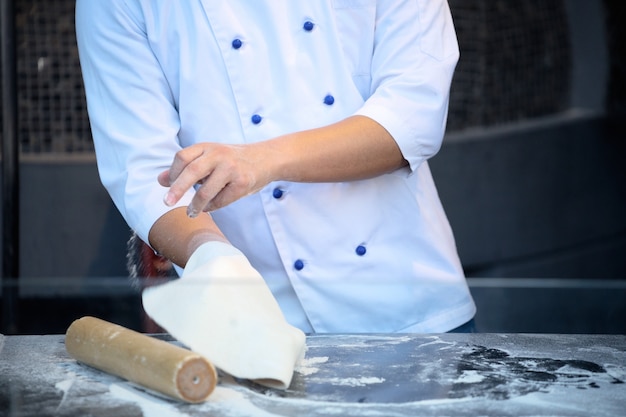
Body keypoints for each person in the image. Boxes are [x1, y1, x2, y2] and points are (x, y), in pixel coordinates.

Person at [75, 0, 476, 334]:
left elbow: (413, 117)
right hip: (248, 326)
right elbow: (143, 167)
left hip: (410, 308)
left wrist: (261, 160)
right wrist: (211, 258)